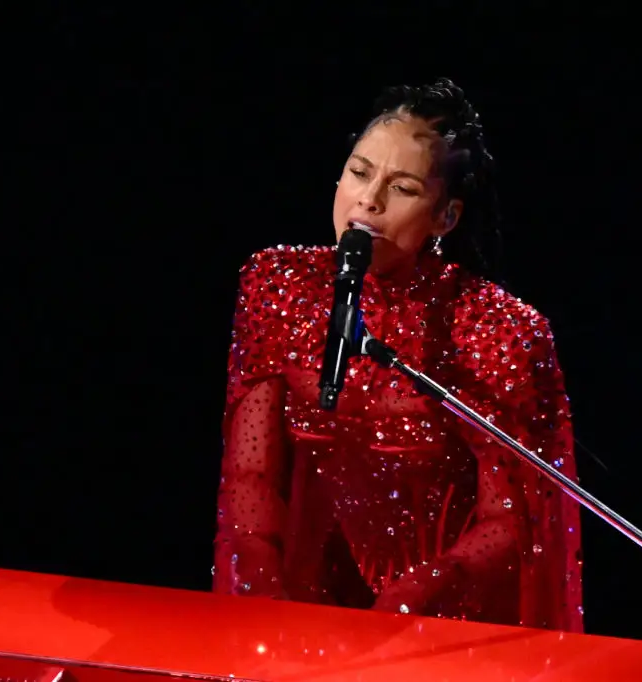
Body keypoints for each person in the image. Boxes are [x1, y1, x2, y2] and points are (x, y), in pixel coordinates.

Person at [212, 78, 583, 632]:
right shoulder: (277, 283)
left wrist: (408, 603)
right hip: (302, 607)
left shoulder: (498, 327)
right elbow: (250, 474)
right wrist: (264, 598)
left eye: (403, 188)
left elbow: (510, 519)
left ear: (445, 217)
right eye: (359, 172)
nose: (369, 200)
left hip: (445, 620)